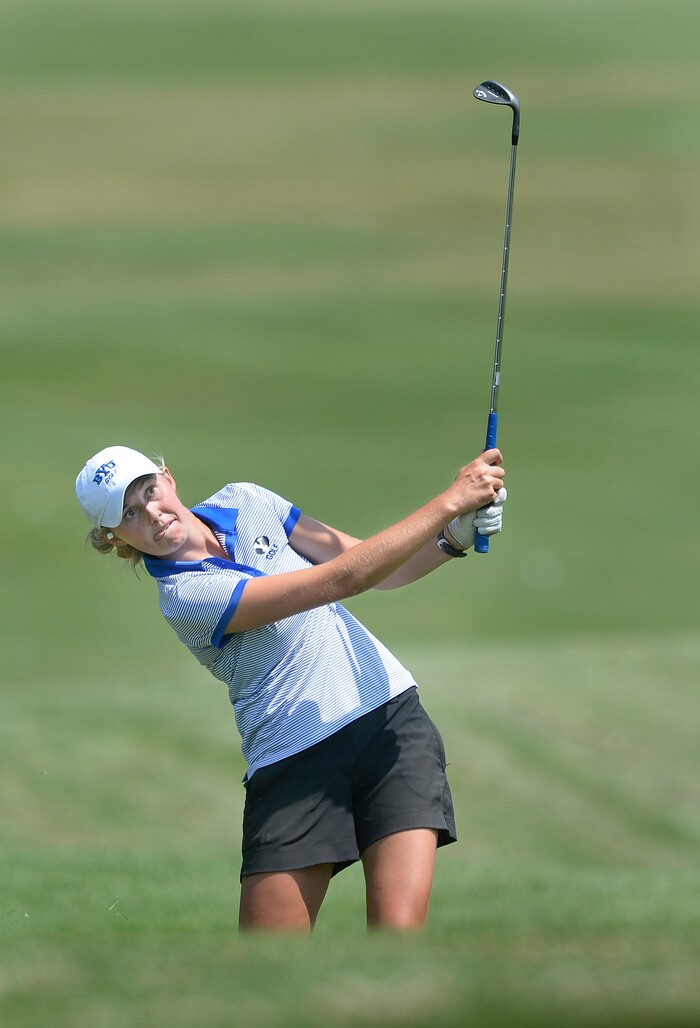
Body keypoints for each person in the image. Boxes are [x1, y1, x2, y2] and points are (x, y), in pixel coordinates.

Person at [76, 444, 506, 933]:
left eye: (150, 491)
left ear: (168, 478)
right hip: (294, 763)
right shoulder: (185, 598)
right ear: (114, 537)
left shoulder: (246, 499)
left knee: (398, 942)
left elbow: (375, 566)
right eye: (129, 514)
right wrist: (450, 500)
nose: (152, 513)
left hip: (389, 723)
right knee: (268, 967)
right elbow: (347, 578)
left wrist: (451, 538)